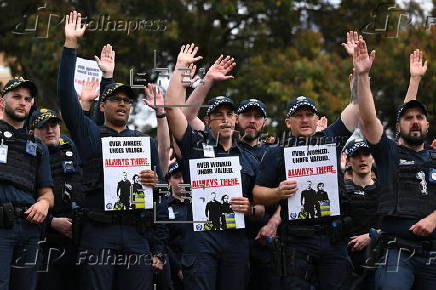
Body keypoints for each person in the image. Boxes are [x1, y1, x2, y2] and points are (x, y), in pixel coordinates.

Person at [57, 11, 166, 290]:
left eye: (127, 100)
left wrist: (155, 184)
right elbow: (67, 101)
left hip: (135, 232)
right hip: (98, 232)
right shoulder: (91, 136)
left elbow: (160, 191)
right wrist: (70, 46)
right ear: (101, 106)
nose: (122, 104)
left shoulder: (145, 142)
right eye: (115, 99)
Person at [253, 31, 362, 290]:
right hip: (297, 242)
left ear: (317, 119)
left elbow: (357, 106)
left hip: (333, 238)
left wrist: (358, 71)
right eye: (298, 115)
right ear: (288, 122)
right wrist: (278, 192)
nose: (304, 119)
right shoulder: (277, 152)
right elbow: (257, 194)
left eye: (309, 115)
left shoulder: (330, 138)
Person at [165, 44, 263, 290]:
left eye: (230, 114)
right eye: (218, 114)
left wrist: (250, 208)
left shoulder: (250, 158)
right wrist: (183, 70)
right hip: (200, 240)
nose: (226, 118)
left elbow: (260, 208)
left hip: (236, 243)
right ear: (207, 121)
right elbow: (172, 109)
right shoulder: (194, 147)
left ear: (236, 120)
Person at [354, 37, 436, 290]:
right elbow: (368, 120)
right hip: (398, 252)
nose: (414, 121)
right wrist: (364, 76)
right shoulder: (389, 153)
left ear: (428, 124)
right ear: (398, 128)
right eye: (408, 118)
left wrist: (434, 218)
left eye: (420, 117)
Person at [0, 77, 54, 290]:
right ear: (2, 102)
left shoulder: (38, 146)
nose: (23, 102)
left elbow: (47, 192)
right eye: (16, 97)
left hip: (29, 229)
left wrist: (43, 204)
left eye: (28, 99)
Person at [29, 108, 83, 290]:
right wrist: (51, 222)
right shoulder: (27, 154)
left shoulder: (70, 146)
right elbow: (22, 198)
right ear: (32, 132)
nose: (50, 130)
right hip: (45, 239)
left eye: (54, 125)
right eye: (43, 126)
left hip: (79, 238)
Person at [341, 139, 379, 290]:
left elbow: (395, 224)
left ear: (373, 157)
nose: (362, 159)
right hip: (346, 261)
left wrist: (372, 235)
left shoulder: (386, 190)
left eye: (366, 154)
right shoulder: (339, 190)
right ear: (349, 160)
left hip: (380, 260)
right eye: (356, 155)